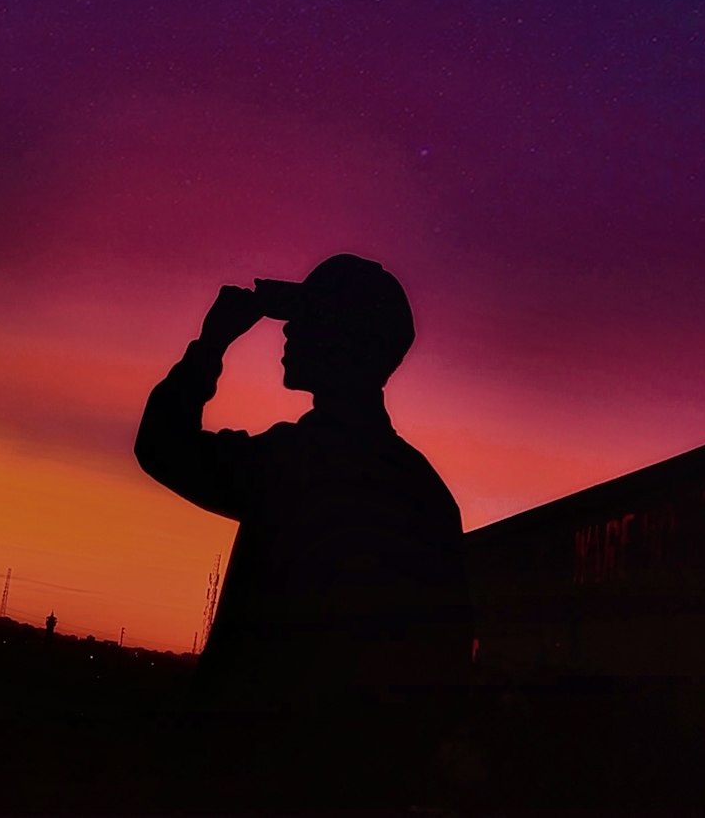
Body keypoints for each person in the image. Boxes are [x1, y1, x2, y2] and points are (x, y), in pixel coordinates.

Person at [134, 254, 472, 805]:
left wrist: (213, 341)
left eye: (308, 316)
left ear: (341, 341)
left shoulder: (297, 464)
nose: (288, 328)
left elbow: (162, 445)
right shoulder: (424, 493)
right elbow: (442, 666)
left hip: (253, 781)